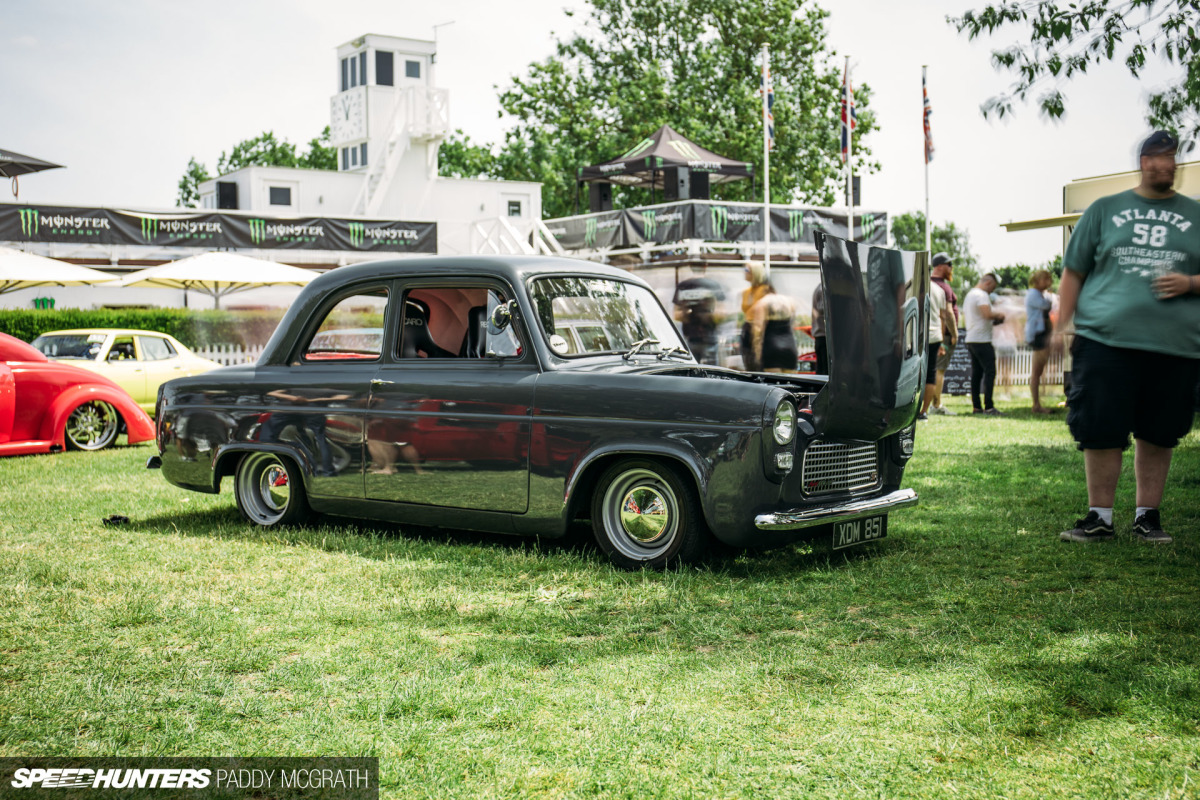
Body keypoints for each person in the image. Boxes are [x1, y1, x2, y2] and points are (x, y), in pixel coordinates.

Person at [1057, 130, 1200, 544]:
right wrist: (1062, 323)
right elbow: (1074, 271)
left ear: (1176, 164)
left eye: (1171, 157)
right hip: (1105, 338)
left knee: (1159, 430)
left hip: (1174, 343)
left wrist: (1189, 282)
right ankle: (1099, 518)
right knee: (1100, 426)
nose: (1163, 165)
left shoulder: (1195, 215)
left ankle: (1147, 518)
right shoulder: (1104, 209)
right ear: (1143, 162)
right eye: (1155, 157)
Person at [963, 272, 1006, 415]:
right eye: (992, 287)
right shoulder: (981, 295)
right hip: (982, 340)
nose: (992, 290)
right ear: (987, 283)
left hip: (971, 338)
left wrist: (994, 320)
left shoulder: (969, 295)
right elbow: (986, 314)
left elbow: (981, 319)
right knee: (990, 372)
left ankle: (976, 407)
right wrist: (999, 315)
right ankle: (989, 406)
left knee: (976, 374)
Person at [919, 276, 955, 419]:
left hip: (917, 334)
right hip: (934, 334)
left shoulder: (913, 284)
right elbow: (943, 316)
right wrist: (941, 341)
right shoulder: (939, 290)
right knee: (930, 373)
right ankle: (924, 411)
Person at [929, 253, 959, 414]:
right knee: (939, 370)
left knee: (931, 370)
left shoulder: (926, 284)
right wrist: (954, 334)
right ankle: (936, 406)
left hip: (929, 333)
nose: (951, 268)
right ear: (940, 266)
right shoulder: (943, 287)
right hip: (942, 334)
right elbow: (947, 313)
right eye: (949, 264)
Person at [1024, 269, 1056, 413]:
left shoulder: (1040, 294)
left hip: (1042, 333)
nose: (1050, 281)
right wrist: (1050, 295)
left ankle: (1038, 403)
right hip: (1038, 334)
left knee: (1040, 369)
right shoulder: (1033, 295)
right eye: (1046, 279)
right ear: (1037, 281)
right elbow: (1048, 305)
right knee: (1037, 371)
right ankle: (1036, 405)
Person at [749, 286, 798, 373]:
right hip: (790, 346)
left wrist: (757, 352)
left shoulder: (762, 303)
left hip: (772, 346)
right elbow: (793, 323)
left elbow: (758, 328)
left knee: (774, 382)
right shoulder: (789, 301)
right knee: (792, 382)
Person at [739, 261, 771, 371]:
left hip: (760, 328)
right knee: (748, 361)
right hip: (748, 327)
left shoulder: (765, 290)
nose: (744, 273)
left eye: (747, 270)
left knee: (759, 362)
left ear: (755, 273)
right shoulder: (746, 292)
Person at [811, 282, 828, 374]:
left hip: (821, 336)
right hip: (824, 336)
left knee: (822, 371)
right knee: (825, 372)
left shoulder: (820, 287)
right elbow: (824, 308)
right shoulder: (824, 288)